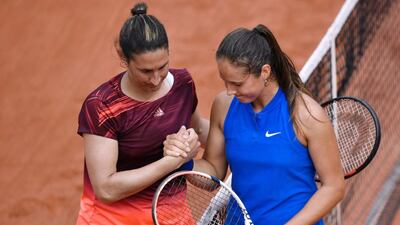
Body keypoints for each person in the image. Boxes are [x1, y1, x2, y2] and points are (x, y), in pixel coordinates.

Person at [164, 24, 345, 224]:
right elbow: (213, 173)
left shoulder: (306, 115)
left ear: (265, 72)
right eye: (225, 81)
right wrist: (182, 160)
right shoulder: (224, 106)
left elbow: (333, 187)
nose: (230, 90)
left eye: (238, 83)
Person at [75, 2, 208, 224]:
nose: (156, 79)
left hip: (173, 217)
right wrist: (172, 162)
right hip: (112, 220)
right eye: (146, 71)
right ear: (124, 59)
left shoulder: (183, 84)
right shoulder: (103, 106)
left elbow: (200, 128)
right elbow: (106, 188)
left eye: (163, 66)